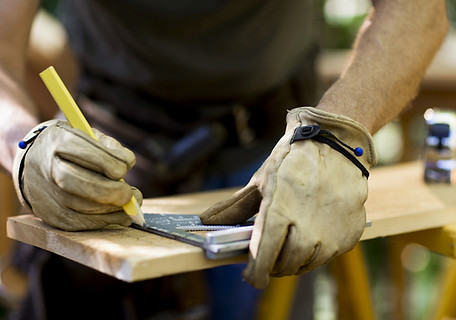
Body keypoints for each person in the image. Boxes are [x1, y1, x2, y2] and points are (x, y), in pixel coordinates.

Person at [0, 0, 449, 319]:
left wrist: (336, 136)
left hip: (278, 159)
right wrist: (23, 143)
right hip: (104, 156)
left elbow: (417, 11)